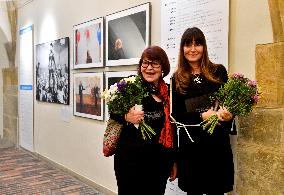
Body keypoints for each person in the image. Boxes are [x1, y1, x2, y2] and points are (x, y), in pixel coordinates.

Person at [171, 27, 235, 194]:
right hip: (191, 148)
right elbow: (176, 115)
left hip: (216, 146)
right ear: (182, 48)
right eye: (188, 44)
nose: (193, 49)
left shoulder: (219, 71)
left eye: (197, 44)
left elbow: (228, 104)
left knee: (217, 190)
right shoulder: (177, 78)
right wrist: (201, 115)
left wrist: (229, 115)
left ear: (204, 47)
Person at [111, 45, 177, 195]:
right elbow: (113, 112)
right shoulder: (131, 87)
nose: (149, 68)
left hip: (159, 163)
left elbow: (172, 128)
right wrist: (125, 117)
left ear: (163, 68)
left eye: (155, 64)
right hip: (131, 161)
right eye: (145, 63)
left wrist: (173, 160)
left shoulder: (169, 92)